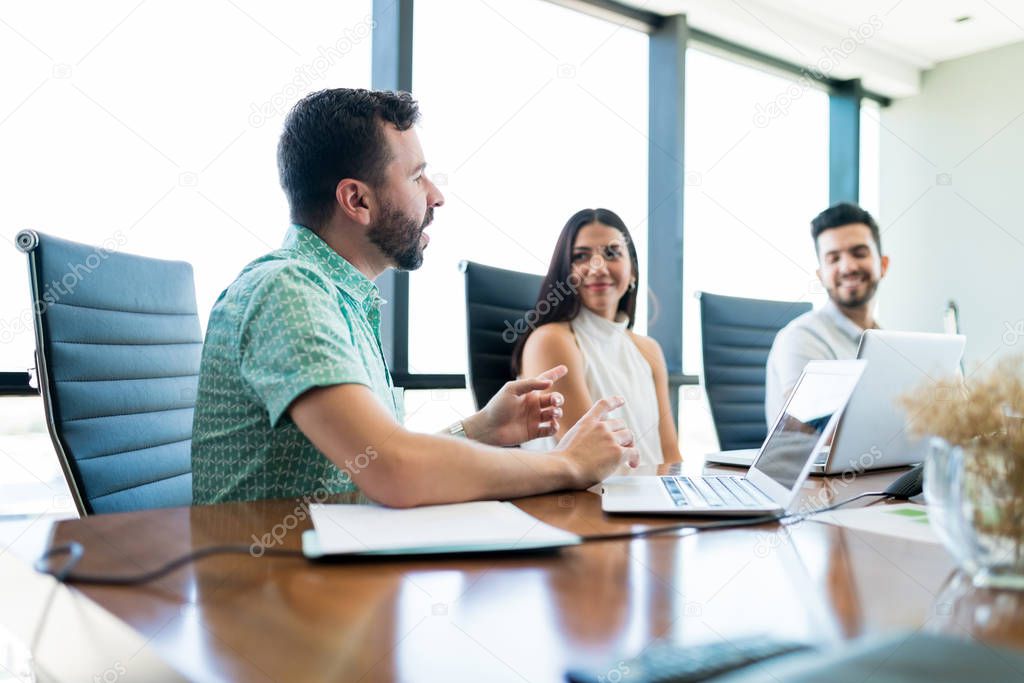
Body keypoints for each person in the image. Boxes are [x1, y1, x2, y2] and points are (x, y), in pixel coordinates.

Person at [191, 89, 638, 507]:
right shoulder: (287, 290)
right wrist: (566, 463)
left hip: (330, 566)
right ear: (356, 200)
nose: (436, 197)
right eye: (418, 177)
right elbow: (394, 470)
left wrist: (481, 429)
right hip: (267, 581)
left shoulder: (337, 297)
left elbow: (367, 465)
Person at [512, 208, 682, 467]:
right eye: (581, 256)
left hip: (647, 500)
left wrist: (684, 500)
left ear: (633, 271)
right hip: (584, 503)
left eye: (612, 253)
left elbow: (671, 457)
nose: (598, 267)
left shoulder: (648, 349)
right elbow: (590, 458)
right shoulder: (552, 340)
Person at [764, 202, 889, 423]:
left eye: (859, 253)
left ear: (884, 265)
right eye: (833, 259)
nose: (848, 267)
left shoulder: (885, 342)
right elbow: (809, 431)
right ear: (821, 275)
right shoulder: (801, 338)